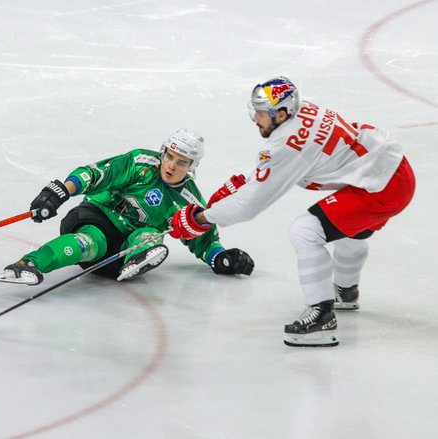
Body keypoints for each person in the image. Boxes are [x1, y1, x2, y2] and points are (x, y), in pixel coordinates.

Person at [169, 77, 415, 347]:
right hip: (387, 169)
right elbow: (287, 162)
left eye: (261, 113)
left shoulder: (287, 144)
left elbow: (249, 205)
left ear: (281, 113)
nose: (255, 119)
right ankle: (346, 292)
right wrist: (247, 180)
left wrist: (200, 219)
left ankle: (321, 316)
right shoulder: (302, 110)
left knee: (306, 231)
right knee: (345, 229)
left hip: (380, 187)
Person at [0, 129, 254, 286]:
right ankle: (28, 265)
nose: (172, 166)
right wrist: (61, 191)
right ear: (163, 152)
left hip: (120, 256)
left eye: (182, 162)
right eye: (170, 157)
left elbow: (204, 239)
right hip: (98, 217)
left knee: (147, 236)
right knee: (86, 241)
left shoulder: (189, 200)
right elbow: (97, 174)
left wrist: (221, 258)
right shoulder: (140, 162)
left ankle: (137, 258)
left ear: (192, 167)